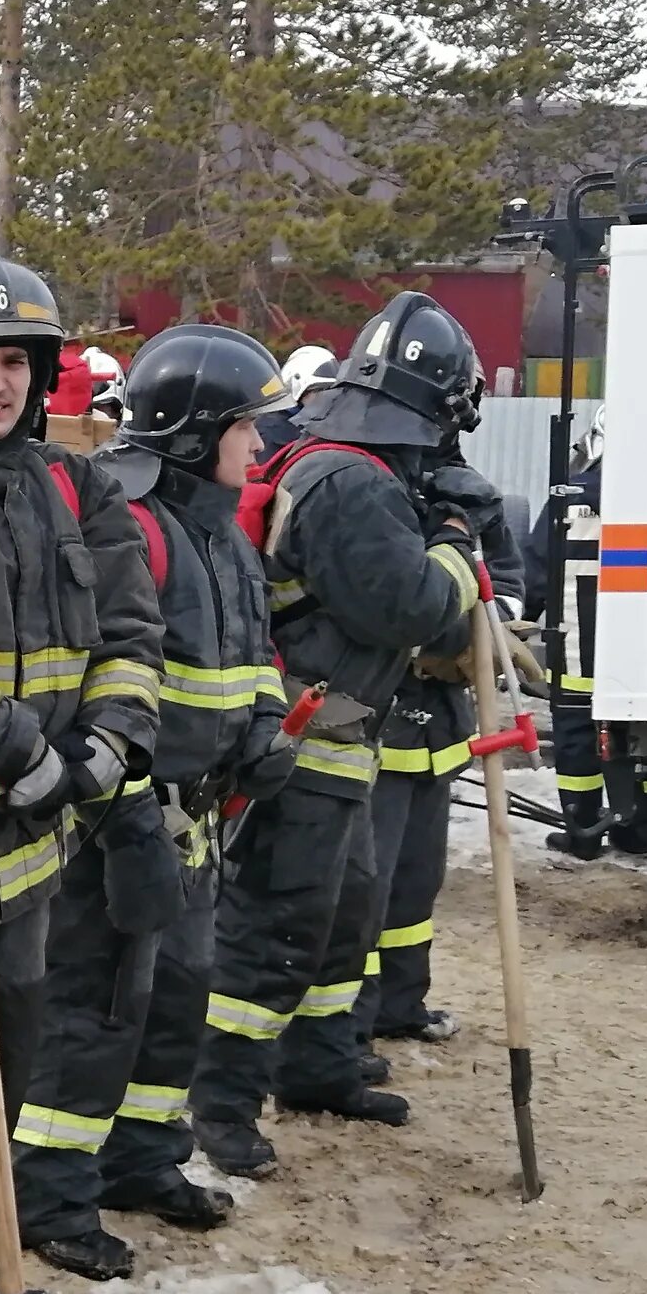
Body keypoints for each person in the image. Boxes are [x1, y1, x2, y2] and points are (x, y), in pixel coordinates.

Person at [0, 246, 162, 1294]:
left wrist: (108, 746)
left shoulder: (77, 488)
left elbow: (135, 634)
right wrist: (25, 754)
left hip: (34, 856)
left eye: (14, 359)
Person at [12, 326, 297, 1261]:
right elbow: (100, 670)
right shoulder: (130, 526)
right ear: (193, 430)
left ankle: (142, 1157)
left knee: (177, 994)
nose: (257, 449)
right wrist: (123, 811)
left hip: (199, 816)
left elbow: (253, 656)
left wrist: (261, 731)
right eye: (244, 429)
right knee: (95, 1008)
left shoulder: (223, 537)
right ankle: (51, 1203)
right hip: (121, 816)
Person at [190, 294, 486, 1178]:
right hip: (306, 741)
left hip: (342, 735)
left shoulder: (350, 469)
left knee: (342, 913)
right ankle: (222, 1103)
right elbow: (418, 609)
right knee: (278, 924)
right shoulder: (354, 484)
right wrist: (458, 544)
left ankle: (318, 1067)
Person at [349, 459, 523, 1050]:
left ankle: (401, 1002)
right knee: (367, 886)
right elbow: (395, 604)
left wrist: (492, 622)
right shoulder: (377, 493)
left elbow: (507, 581)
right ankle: (350, 1017)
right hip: (382, 722)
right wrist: (444, 628)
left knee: (417, 883)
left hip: (438, 725)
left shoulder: (468, 492)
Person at [523, 414, 647, 858]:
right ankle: (637, 832)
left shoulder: (569, 498)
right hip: (638, 656)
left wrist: (517, 620)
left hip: (576, 652)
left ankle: (583, 834)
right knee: (640, 738)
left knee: (577, 741)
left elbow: (537, 571)